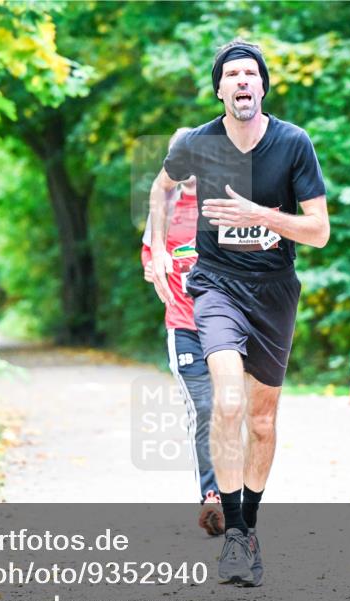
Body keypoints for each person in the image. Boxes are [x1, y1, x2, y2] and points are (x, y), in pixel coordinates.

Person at [148, 40, 330, 586]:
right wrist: (159, 249)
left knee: (261, 420)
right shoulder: (198, 143)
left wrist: (261, 215)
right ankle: (232, 534)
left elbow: (318, 232)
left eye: (251, 73)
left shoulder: (293, 143)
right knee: (227, 401)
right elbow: (161, 188)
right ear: (220, 90)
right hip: (217, 285)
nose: (243, 80)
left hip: (274, 290)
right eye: (232, 74)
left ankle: (248, 526)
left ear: (263, 86)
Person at [142, 128, 224, 537]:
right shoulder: (164, 207)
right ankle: (213, 496)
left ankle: (238, 490)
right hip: (183, 326)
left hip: (226, 325)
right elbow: (149, 256)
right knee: (205, 408)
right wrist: (154, 268)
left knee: (233, 409)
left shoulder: (223, 203)